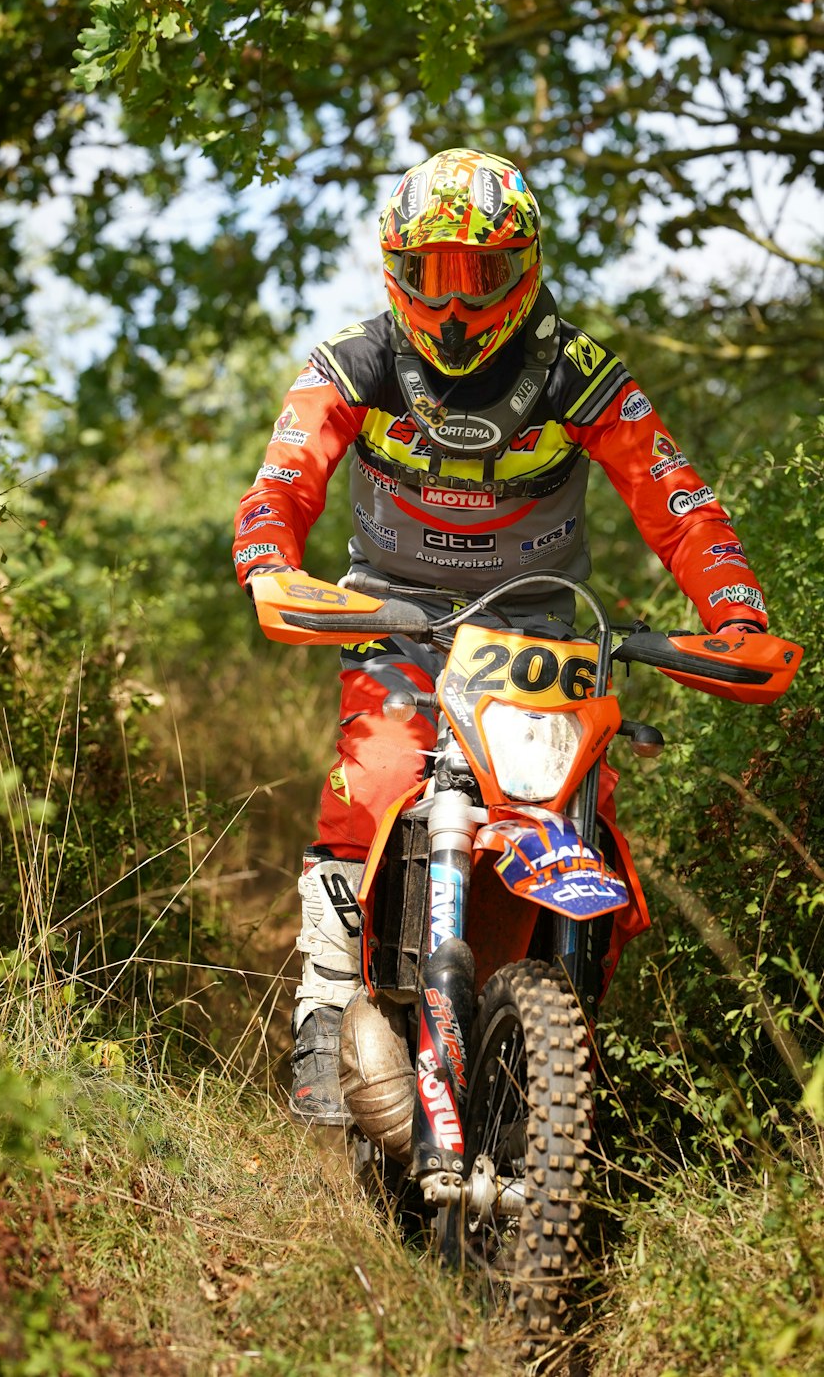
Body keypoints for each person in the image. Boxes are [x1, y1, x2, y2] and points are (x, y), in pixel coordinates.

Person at [231, 146, 768, 1126]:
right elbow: (282, 480)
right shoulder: (353, 363)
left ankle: (568, 1039)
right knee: (385, 764)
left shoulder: (577, 371)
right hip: (393, 616)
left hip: (535, 632)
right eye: (433, 273)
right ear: (395, 267)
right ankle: (321, 1008)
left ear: (523, 267)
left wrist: (735, 612)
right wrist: (270, 562)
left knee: (575, 806)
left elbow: (679, 502)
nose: (454, 302)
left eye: (478, 273)